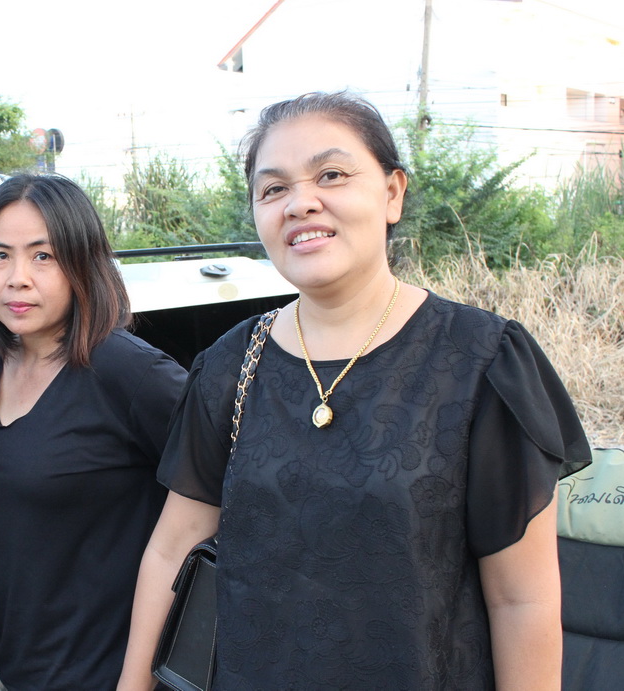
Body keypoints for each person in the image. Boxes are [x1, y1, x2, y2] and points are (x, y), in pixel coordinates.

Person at [119, 92, 592, 690]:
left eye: (331, 175)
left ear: (392, 192)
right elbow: (172, 549)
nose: (300, 203)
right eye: (273, 189)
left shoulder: (481, 361)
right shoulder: (229, 365)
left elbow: (522, 599)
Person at [0, 174, 187, 689]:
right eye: (0, 255)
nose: (17, 278)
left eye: (44, 256)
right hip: (22, 665)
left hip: (115, 674)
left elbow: (221, 496)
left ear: (83, 262)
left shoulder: (131, 373)